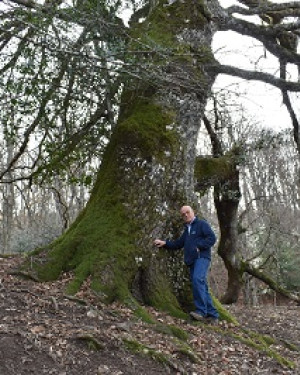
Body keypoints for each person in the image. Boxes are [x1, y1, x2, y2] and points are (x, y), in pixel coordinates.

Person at [154, 205, 219, 323]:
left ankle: (201, 312)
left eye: (187, 212)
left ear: (192, 212)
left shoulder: (201, 224)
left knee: (197, 279)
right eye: (183, 214)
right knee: (202, 285)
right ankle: (213, 315)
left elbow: (212, 238)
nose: (186, 215)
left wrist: (199, 245)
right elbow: (178, 244)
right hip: (192, 261)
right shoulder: (187, 230)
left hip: (202, 258)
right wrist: (165, 243)